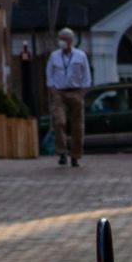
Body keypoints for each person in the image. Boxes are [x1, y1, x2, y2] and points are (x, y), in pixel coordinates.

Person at [45, 28, 91, 165]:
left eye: (64, 39)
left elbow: (87, 75)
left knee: (77, 126)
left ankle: (75, 156)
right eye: (60, 39)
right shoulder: (54, 56)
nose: (61, 42)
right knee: (59, 122)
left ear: (70, 41)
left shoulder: (80, 55)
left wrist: (82, 92)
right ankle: (62, 152)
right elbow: (49, 74)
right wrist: (53, 89)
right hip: (59, 93)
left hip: (76, 92)